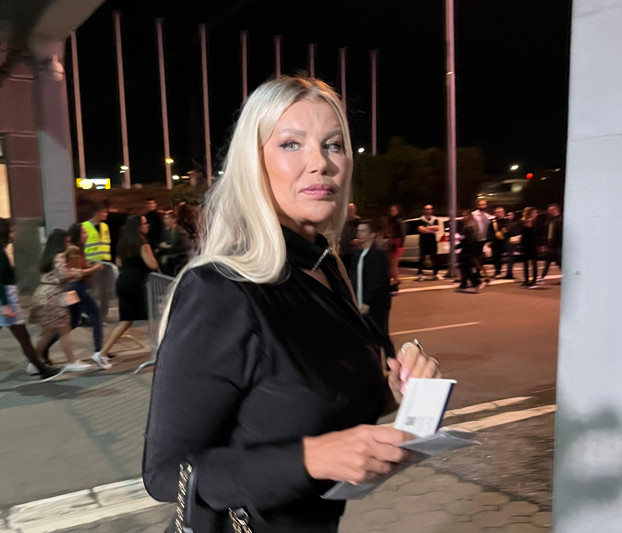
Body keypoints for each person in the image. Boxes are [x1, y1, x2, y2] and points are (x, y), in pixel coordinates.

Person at [142, 76, 441, 533]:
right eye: (290, 144)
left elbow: (322, 400)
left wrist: (397, 389)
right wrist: (311, 458)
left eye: (333, 145)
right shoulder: (221, 289)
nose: (320, 163)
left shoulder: (326, 268)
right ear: (253, 163)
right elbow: (166, 474)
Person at [37, 223, 108, 371]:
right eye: (83, 232)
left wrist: (85, 267)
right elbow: (70, 273)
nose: (86, 235)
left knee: (69, 323)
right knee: (93, 316)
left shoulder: (57, 254)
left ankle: (39, 357)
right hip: (71, 290)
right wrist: (92, 269)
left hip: (58, 293)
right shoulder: (68, 252)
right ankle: (96, 352)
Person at [0, 218, 64, 381]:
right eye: (11, 231)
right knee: (23, 336)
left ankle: (39, 367)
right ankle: (41, 369)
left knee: (23, 336)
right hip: (6, 297)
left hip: (6, 296)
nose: (13, 234)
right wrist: (5, 305)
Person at [28, 229, 92, 372]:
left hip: (43, 294)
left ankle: (34, 363)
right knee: (65, 330)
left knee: (47, 333)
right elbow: (63, 275)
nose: (68, 244)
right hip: (53, 296)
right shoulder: (59, 256)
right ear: (60, 242)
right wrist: (79, 272)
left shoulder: (47, 256)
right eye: (66, 241)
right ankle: (71, 361)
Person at [98, 215, 158, 362]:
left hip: (123, 281)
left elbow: (118, 262)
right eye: (145, 223)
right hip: (137, 283)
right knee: (153, 316)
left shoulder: (123, 241)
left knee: (126, 319)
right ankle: (159, 348)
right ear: (139, 226)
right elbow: (152, 264)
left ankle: (103, 352)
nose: (147, 225)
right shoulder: (142, 243)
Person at [349, 219, 394, 362]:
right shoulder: (358, 256)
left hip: (376, 306)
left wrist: (367, 303)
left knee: (381, 337)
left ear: (372, 234)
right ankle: (374, 366)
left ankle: (392, 366)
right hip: (360, 306)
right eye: (358, 231)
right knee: (367, 340)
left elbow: (377, 282)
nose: (359, 234)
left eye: (363, 231)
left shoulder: (377, 256)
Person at [456, 211, 485, 292]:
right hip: (469, 250)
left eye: (465, 215)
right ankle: (463, 284)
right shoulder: (470, 227)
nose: (463, 217)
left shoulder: (468, 228)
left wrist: (459, 245)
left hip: (467, 250)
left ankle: (476, 283)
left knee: (465, 268)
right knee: (465, 268)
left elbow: (467, 240)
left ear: (469, 216)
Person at [156, 211, 189, 276]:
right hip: (169, 253)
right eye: (164, 219)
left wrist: (169, 247)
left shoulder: (181, 232)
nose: (165, 221)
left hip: (179, 255)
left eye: (167, 218)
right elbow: (161, 242)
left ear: (174, 220)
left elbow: (184, 247)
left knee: (164, 259)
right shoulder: (165, 231)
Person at [416, 204, 442, 281]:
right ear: (424, 210)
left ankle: (435, 274)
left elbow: (437, 228)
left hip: (432, 241)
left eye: (430, 209)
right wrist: (431, 231)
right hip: (423, 241)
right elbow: (420, 229)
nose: (428, 211)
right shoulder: (421, 219)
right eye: (427, 209)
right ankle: (420, 274)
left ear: (432, 210)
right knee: (422, 258)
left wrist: (426, 228)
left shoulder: (435, 219)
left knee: (434, 258)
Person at [538, 203, 562, 282]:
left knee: (558, 262)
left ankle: (542, 277)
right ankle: (542, 277)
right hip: (551, 244)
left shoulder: (560, 220)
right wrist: (544, 243)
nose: (548, 212)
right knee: (549, 261)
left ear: (556, 210)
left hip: (558, 244)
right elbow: (546, 232)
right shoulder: (550, 220)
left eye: (550, 210)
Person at [471, 199, 492, 282]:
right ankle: (482, 273)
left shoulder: (487, 216)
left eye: (484, 204)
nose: (483, 206)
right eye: (481, 205)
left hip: (484, 239)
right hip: (476, 238)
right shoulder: (473, 214)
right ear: (477, 206)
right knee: (476, 256)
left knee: (480, 257)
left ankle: (478, 272)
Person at [520, 206, 540, 288]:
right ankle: (526, 280)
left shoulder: (536, 222)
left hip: (533, 244)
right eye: (534, 212)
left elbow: (538, 234)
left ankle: (534, 280)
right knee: (525, 263)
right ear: (530, 213)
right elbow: (522, 233)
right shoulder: (523, 222)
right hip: (525, 244)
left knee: (534, 262)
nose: (536, 214)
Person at [387, 204, 405, 292]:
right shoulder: (392, 221)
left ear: (397, 211)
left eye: (394, 210)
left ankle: (395, 282)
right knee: (393, 265)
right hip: (394, 244)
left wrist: (396, 245)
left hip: (396, 245)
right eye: (391, 211)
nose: (392, 212)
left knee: (393, 265)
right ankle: (396, 281)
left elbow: (401, 235)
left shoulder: (398, 222)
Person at [338, 203, 360, 271]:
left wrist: (357, 240)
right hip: (343, 251)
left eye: (352, 209)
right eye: (348, 210)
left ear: (355, 210)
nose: (350, 211)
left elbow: (361, 234)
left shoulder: (358, 221)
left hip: (353, 252)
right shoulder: (343, 221)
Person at [489, 207, 509, 278]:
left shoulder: (507, 221)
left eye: (500, 212)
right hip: (496, 242)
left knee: (506, 257)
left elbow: (511, 230)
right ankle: (497, 271)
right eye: (497, 212)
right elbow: (490, 231)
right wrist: (491, 239)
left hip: (505, 241)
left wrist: (506, 231)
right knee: (496, 257)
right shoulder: (493, 222)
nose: (499, 214)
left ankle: (508, 272)